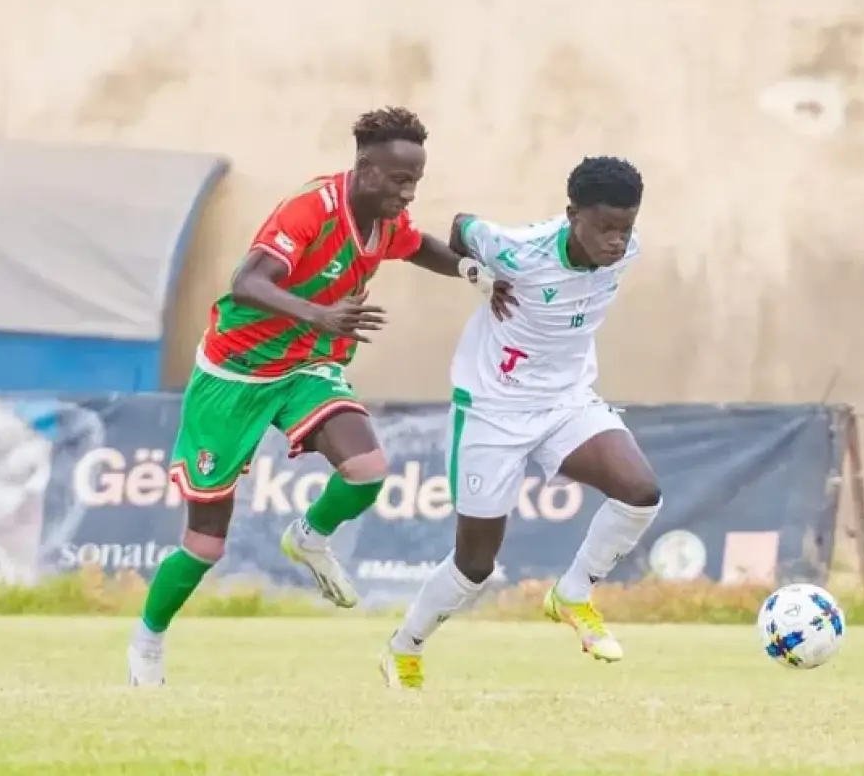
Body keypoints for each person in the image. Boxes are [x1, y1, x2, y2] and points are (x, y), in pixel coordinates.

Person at [127, 106, 514, 686]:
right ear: (365, 168)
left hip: (307, 366)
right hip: (235, 374)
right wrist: (320, 314)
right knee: (205, 544)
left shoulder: (384, 221)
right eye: (399, 180)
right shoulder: (310, 208)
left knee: (368, 468)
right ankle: (149, 639)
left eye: (416, 181)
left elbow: (416, 246)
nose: (408, 193)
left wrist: (468, 270)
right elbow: (247, 283)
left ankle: (309, 536)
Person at [380, 156, 663, 690]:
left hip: (565, 402)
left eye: (624, 229)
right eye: (603, 228)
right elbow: (462, 224)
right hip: (492, 410)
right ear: (572, 215)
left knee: (640, 492)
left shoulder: (628, 250)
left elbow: (617, 245)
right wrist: (478, 273)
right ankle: (404, 647)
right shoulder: (519, 250)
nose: (615, 242)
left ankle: (574, 594)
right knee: (475, 565)